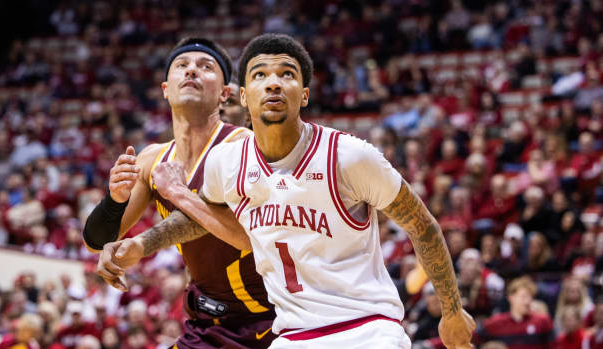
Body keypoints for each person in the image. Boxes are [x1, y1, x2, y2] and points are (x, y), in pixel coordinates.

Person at [101, 33, 475, 348]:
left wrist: (452, 311)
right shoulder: (228, 163)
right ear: (244, 97)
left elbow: (422, 226)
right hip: (291, 336)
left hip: (367, 329)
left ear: (305, 94)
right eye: (260, 74)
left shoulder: (349, 157)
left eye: (287, 74)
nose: (274, 82)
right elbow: (202, 219)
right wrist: (144, 244)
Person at [84, 37, 275, 348]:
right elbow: (95, 241)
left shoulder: (243, 145)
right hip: (208, 323)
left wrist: (144, 241)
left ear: (225, 94)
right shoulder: (150, 160)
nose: (191, 71)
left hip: (272, 318)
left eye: (205, 66)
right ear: (164, 89)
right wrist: (114, 200)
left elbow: (243, 234)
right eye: (182, 66)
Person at [475, 276, 554, 348]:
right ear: (511, 297)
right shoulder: (495, 323)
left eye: (531, 297)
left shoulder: (542, 321)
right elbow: (473, 340)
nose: (528, 301)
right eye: (523, 297)